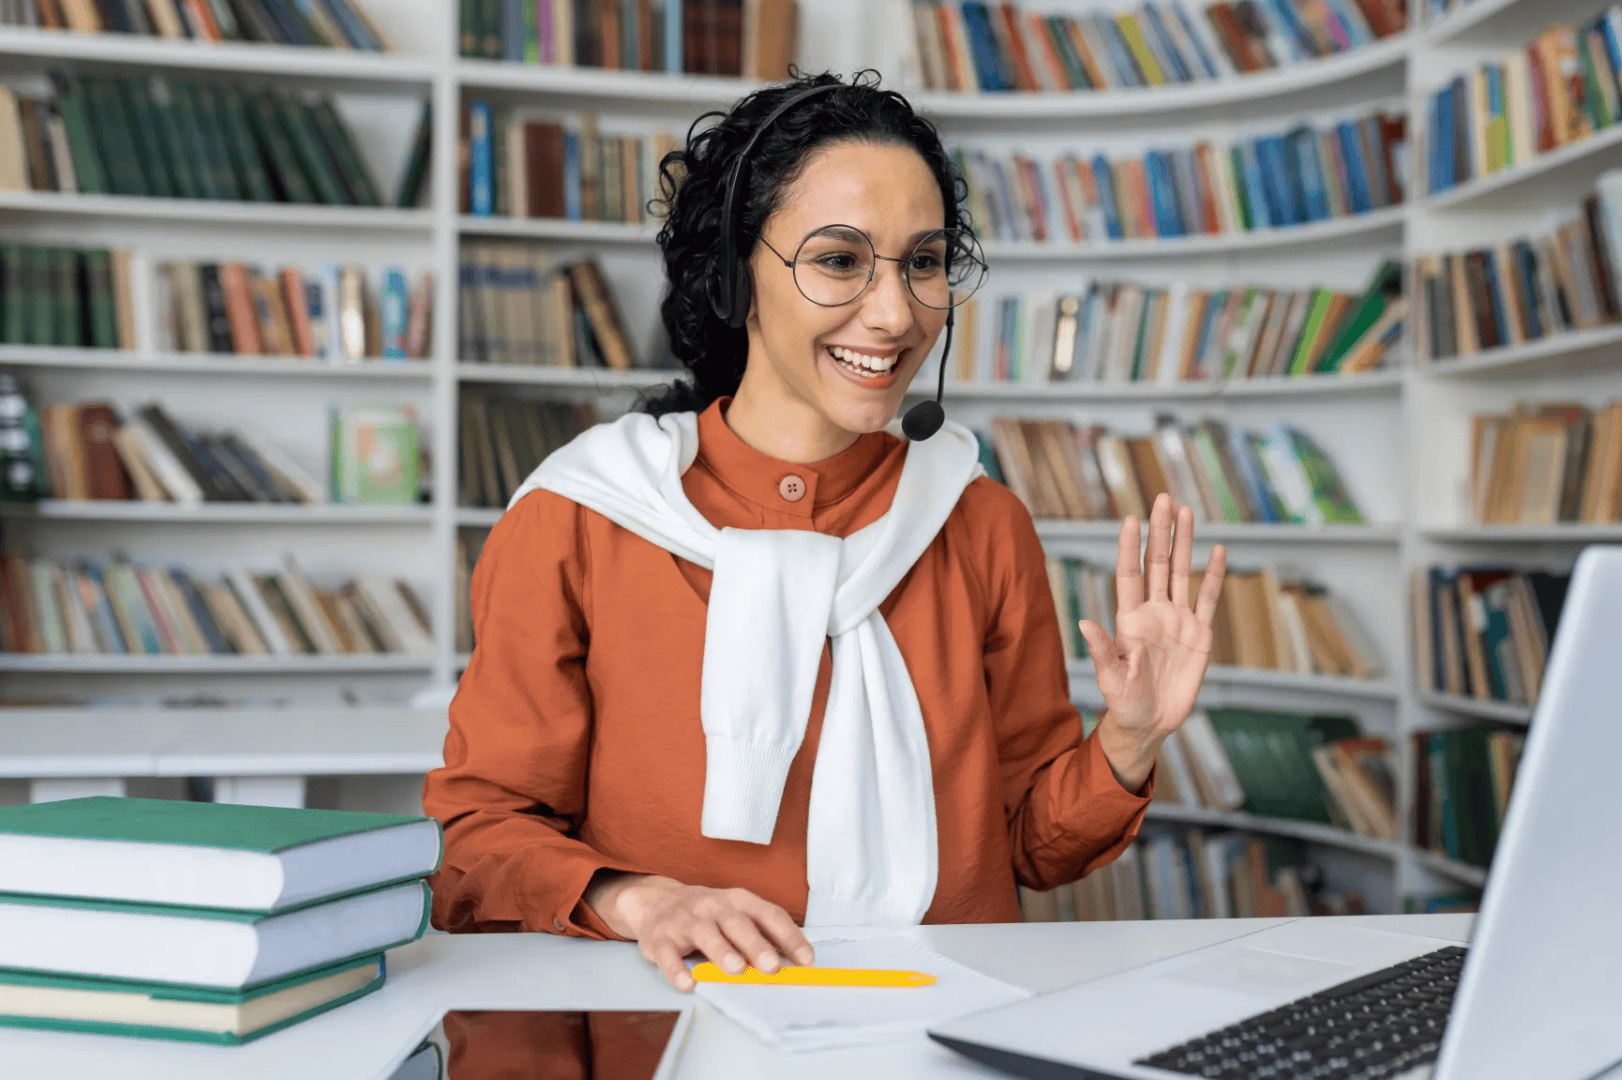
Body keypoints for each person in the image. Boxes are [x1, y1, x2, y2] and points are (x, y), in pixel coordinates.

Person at [423, 70, 1228, 993]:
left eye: (923, 263)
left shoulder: (977, 518)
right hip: (669, 1012)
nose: (894, 315)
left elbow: (1027, 848)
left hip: (945, 1022)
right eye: (840, 259)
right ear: (736, 270)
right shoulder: (580, 517)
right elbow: (477, 838)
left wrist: (1130, 739)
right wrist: (640, 900)